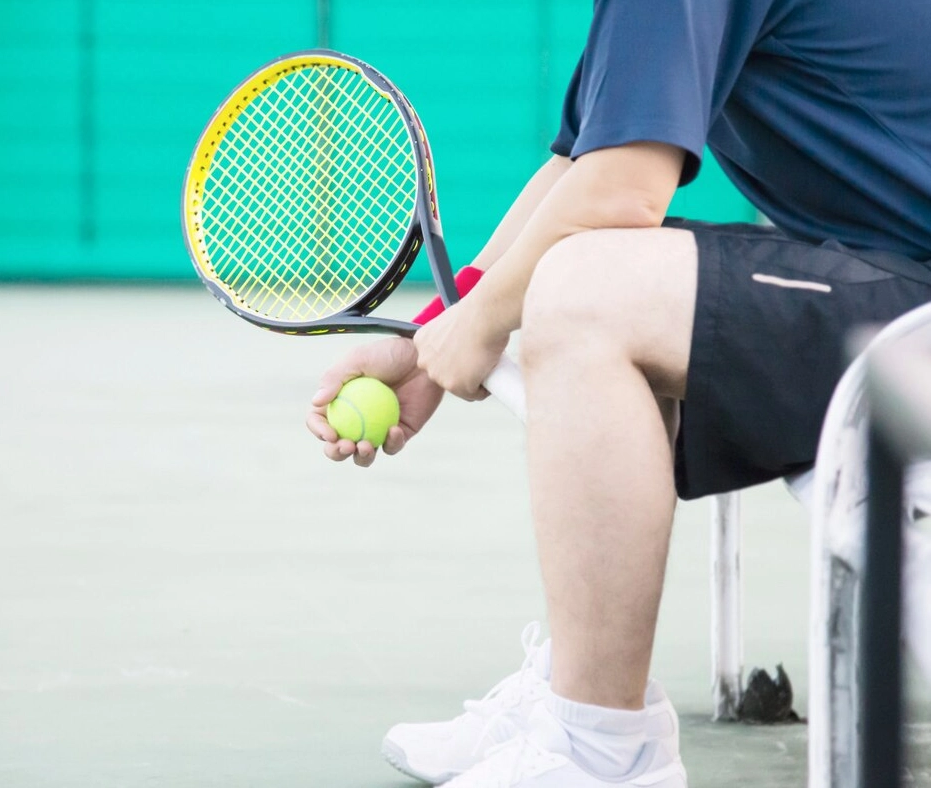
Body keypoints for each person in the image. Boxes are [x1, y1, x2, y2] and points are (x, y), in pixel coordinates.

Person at [307, 0, 931, 784]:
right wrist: (438, 337)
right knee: (592, 270)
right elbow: (579, 170)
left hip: (919, 329)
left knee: (588, 287)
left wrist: (482, 326)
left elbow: (621, 193)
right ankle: (579, 697)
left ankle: (600, 751)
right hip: (901, 291)